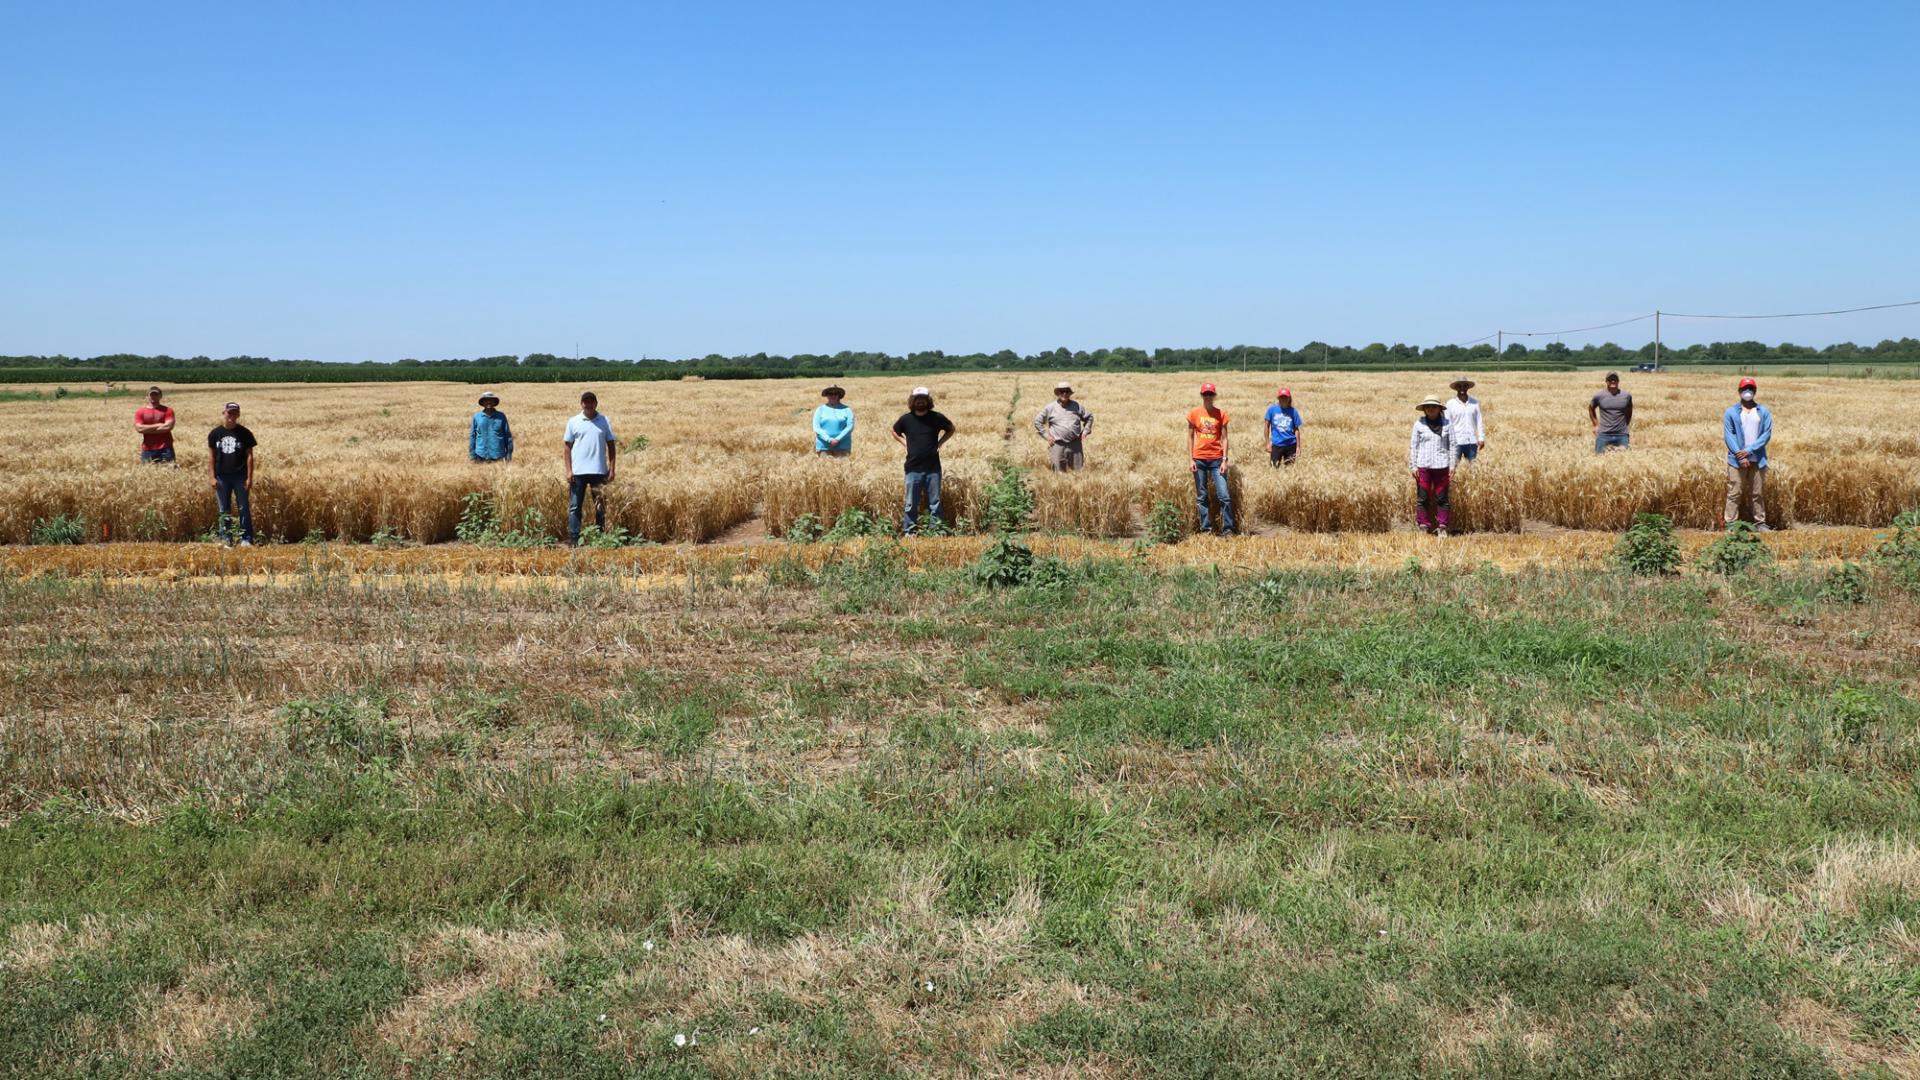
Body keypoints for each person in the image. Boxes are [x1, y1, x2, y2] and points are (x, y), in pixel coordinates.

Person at [892, 386, 954, 535]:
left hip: (933, 468)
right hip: (912, 468)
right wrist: (905, 443)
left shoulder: (936, 417)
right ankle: (909, 532)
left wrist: (940, 443)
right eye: (917, 399)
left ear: (928, 400)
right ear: (913, 401)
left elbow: (951, 428)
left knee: (935, 503)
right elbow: (894, 431)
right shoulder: (906, 419)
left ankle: (936, 532)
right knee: (910, 503)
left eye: (923, 399)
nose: (920, 402)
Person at [563, 391, 617, 544]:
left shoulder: (604, 421)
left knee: (600, 507)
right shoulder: (574, 421)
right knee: (575, 507)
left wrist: (612, 468)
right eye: (586, 401)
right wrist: (568, 470)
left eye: (591, 401)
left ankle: (598, 538)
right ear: (581, 404)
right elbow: (567, 447)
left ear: (596, 404)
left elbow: (611, 445)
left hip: (599, 471)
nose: (588, 404)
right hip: (578, 472)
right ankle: (574, 539)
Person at [1723, 377, 1774, 531]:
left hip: (1758, 459)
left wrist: (1750, 451)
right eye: (1745, 389)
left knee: (1757, 493)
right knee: (1735, 492)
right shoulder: (1731, 412)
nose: (1748, 392)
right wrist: (1741, 456)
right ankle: (1730, 524)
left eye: (1751, 389)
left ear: (1755, 392)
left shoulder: (1763, 412)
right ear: (1739, 391)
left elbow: (1766, 434)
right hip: (1736, 459)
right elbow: (1729, 435)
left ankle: (1760, 523)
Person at [207, 401, 257, 546]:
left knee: (243, 507)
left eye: (235, 412)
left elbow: (249, 456)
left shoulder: (245, 433)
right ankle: (225, 538)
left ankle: (246, 538)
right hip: (221, 476)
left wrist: (249, 477)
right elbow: (211, 457)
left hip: (239, 476)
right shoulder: (215, 434)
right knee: (224, 509)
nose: (232, 415)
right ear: (224, 413)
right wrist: (212, 477)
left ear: (238, 414)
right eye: (229, 412)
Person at [1187, 383, 1235, 535]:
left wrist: (1225, 460)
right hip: (1199, 459)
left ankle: (1228, 529)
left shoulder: (1221, 414)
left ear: (1214, 396)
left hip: (1217, 460)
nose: (1208, 397)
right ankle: (1206, 530)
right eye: (1205, 394)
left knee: (1224, 496)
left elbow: (1225, 438)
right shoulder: (1194, 414)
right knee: (1202, 497)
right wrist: (1191, 459)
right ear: (1202, 396)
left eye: (1210, 394)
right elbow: (1190, 437)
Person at [1409, 397, 1454, 537]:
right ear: (1424, 409)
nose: (1431, 409)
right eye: (1428, 406)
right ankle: (1423, 526)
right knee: (1423, 498)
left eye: (1434, 406)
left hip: (1442, 465)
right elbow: (1414, 446)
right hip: (1423, 466)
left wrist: (1452, 466)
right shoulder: (1418, 424)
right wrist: (1413, 466)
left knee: (1442, 499)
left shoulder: (1447, 424)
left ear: (1439, 409)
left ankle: (1442, 527)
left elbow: (1452, 446)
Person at [1033, 381, 1093, 470]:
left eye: (1067, 391)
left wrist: (1085, 431)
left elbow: (1089, 417)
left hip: (1075, 445)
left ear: (1070, 393)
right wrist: (1046, 436)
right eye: (1062, 391)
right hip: (1057, 445)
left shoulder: (1077, 406)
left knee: (1077, 472)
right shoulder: (1050, 407)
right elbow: (1037, 421)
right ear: (1058, 393)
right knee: (1058, 473)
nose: (1064, 393)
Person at [1444, 379, 1485, 465]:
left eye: (1464, 386)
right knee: (1452, 467)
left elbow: (1479, 421)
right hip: (1455, 441)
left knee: (1472, 468)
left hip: (1471, 441)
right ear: (1456, 388)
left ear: (1468, 387)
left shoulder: (1475, 403)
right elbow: (1447, 423)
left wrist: (1481, 438)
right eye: (1459, 386)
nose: (1462, 388)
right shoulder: (1450, 404)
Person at [1589, 372, 1633, 453]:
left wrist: (1626, 424)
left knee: (1623, 461)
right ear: (1606, 382)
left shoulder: (1626, 396)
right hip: (1603, 435)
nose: (1613, 381)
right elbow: (1591, 408)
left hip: (1622, 435)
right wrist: (1595, 425)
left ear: (1618, 381)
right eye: (1610, 379)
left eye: (1615, 379)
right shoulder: (1599, 396)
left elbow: (1630, 409)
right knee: (1599, 460)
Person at [134, 385, 176, 464]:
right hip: (147, 449)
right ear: (147, 396)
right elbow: (139, 429)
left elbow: (168, 427)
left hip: (166, 448)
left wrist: (147, 430)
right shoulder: (140, 412)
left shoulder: (168, 410)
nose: (153, 396)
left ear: (160, 396)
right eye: (151, 394)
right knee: (147, 474)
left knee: (170, 473)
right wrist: (159, 425)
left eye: (156, 394)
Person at [470, 390, 514, 462]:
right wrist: (472, 454)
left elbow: (507, 436)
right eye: (486, 400)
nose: (488, 402)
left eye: (491, 400)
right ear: (483, 403)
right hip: (480, 455)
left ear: (494, 402)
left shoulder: (501, 416)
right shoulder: (477, 417)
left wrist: (509, 454)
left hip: (498, 455)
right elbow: (473, 436)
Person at [1263, 388, 1303, 466]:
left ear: (1289, 398)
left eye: (1285, 397)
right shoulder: (1271, 410)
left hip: (1291, 444)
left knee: (1290, 470)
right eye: (1281, 397)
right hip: (1276, 445)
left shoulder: (1293, 411)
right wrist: (1267, 443)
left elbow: (1296, 430)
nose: (1283, 399)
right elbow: (1266, 426)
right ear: (1278, 398)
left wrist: (1298, 447)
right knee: (1274, 469)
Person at [813, 385, 854, 456]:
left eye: (835, 394)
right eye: (830, 394)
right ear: (827, 395)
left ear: (839, 395)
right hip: (824, 446)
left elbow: (849, 427)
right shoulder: (820, 409)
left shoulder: (847, 409)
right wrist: (829, 440)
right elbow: (816, 428)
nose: (833, 396)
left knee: (843, 466)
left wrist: (837, 439)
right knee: (824, 466)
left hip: (843, 446)